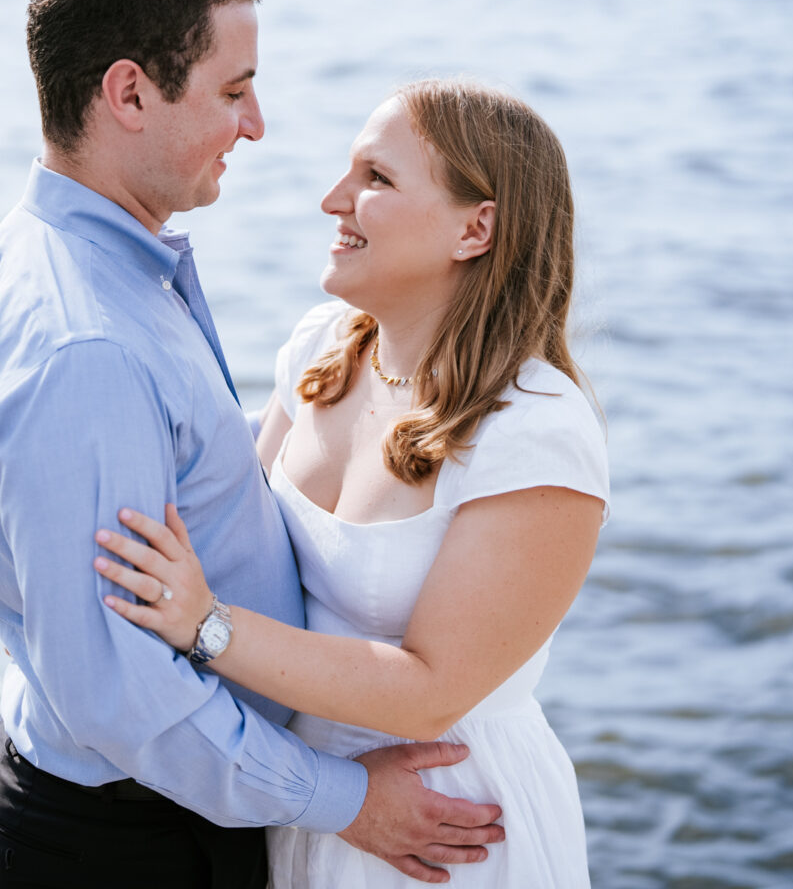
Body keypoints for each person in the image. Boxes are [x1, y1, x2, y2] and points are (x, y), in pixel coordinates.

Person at [0, 0, 504, 889]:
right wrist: (346, 801)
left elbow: (165, 469)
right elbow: (122, 691)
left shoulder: (58, 252)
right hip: (133, 839)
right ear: (128, 92)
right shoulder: (88, 349)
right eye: (233, 91)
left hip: (143, 805)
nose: (257, 124)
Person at [92, 78, 610, 887]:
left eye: (377, 178)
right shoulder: (324, 348)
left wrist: (207, 625)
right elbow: (230, 529)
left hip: (447, 825)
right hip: (312, 798)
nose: (334, 199)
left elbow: (430, 693)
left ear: (476, 228)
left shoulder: (537, 431)